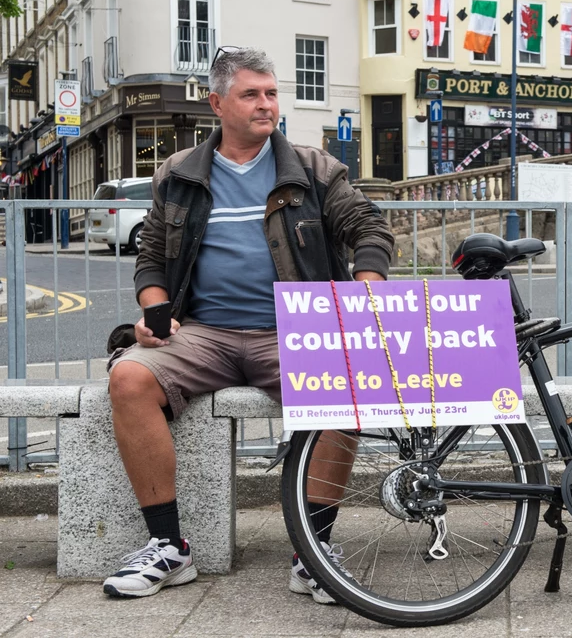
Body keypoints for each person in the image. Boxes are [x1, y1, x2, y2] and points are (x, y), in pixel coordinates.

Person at [102, 47, 394, 601]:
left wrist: (368, 282)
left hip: (291, 329)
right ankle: (168, 548)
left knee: (347, 382)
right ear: (217, 103)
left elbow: (368, 227)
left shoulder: (314, 168)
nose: (267, 105)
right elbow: (152, 255)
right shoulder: (179, 173)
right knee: (129, 379)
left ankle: (313, 555)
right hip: (202, 333)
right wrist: (155, 312)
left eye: (272, 93)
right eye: (251, 94)